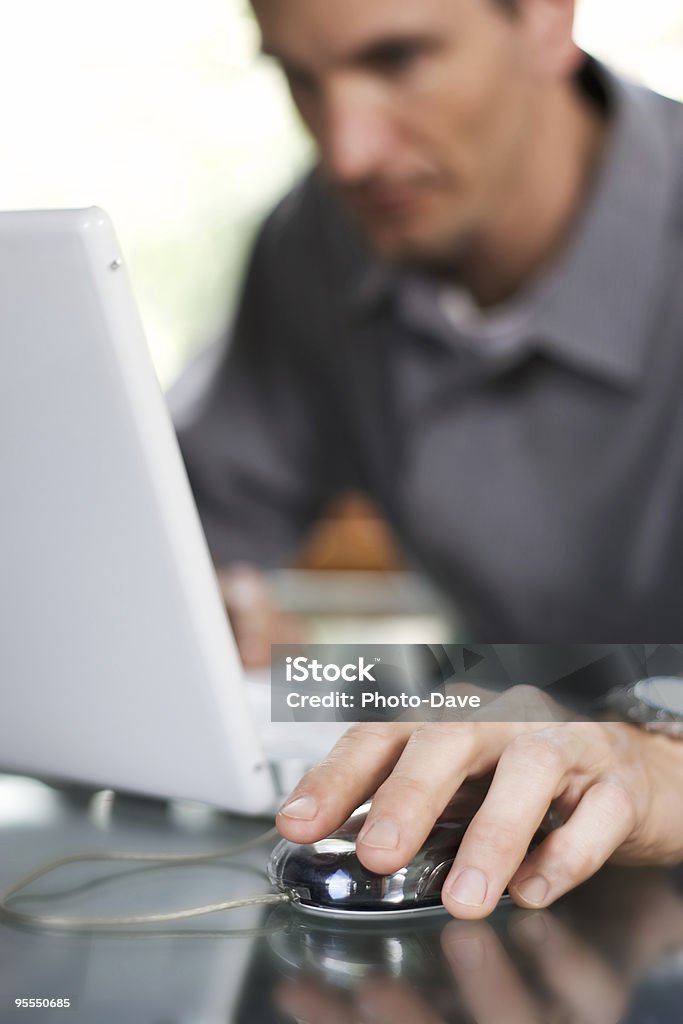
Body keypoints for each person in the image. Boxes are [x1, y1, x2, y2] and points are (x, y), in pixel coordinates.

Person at [172, 0, 683, 918]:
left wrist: (658, 762)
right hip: (524, 888)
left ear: (545, 22)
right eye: (300, 78)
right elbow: (191, 531)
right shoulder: (320, 244)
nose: (347, 152)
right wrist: (207, 598)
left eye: (399, 57)